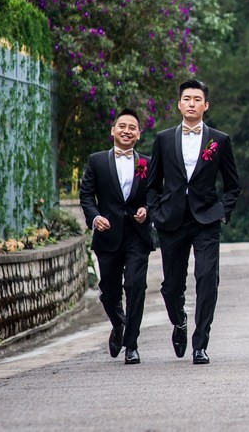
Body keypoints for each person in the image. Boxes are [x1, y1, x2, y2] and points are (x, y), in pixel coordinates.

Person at [146, 79, 241, 365]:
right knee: (171, 286)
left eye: (197, 99)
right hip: (171, 220)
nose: (191, 103)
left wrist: (221, 211)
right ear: (179, 104)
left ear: (205, 105)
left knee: (207, 278)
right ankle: (179, 321)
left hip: (206, 219)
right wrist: (155, 212)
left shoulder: (219, 140)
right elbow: (152, 184)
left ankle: (201, 344)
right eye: (187, 99)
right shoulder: (164, 139)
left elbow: (233, 185)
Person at [79, 109, 154, 365]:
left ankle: (131, 345)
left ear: (139, 134)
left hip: (137, 235)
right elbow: (86, 195)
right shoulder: (97, 161)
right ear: (113, 130)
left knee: (135, 286)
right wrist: (95, 217)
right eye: (122, 126)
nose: (126, 131)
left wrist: (147, 210)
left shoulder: (147, 163)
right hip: (107, 233)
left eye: (132, 127)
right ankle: (119, 324)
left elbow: (156, 194)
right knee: (109, 292)